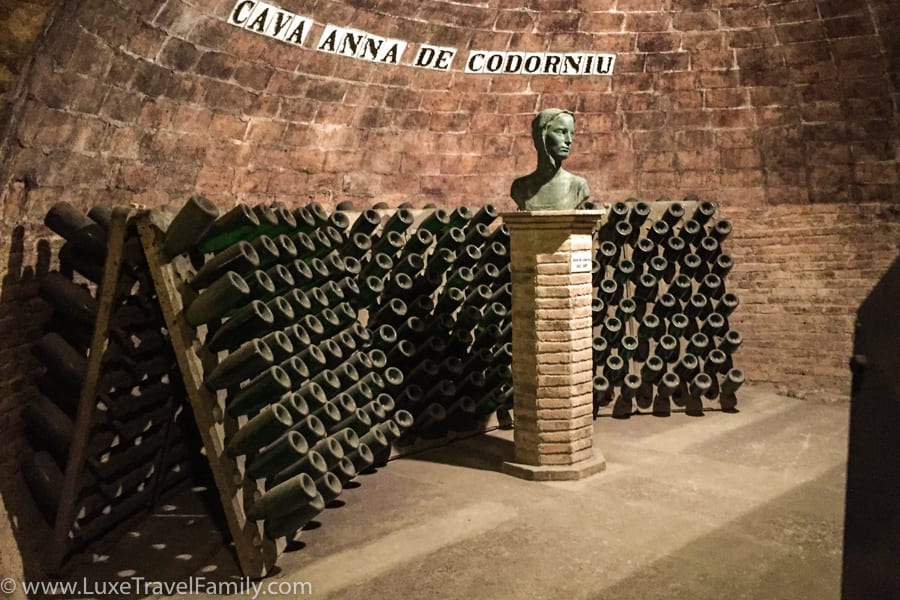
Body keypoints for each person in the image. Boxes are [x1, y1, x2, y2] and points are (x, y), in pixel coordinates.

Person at [510, 108, 590, 211]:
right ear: (542, 135)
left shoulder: (578, 186)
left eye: (571, 133)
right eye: (561, 132)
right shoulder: (520, 188)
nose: (569, 140)